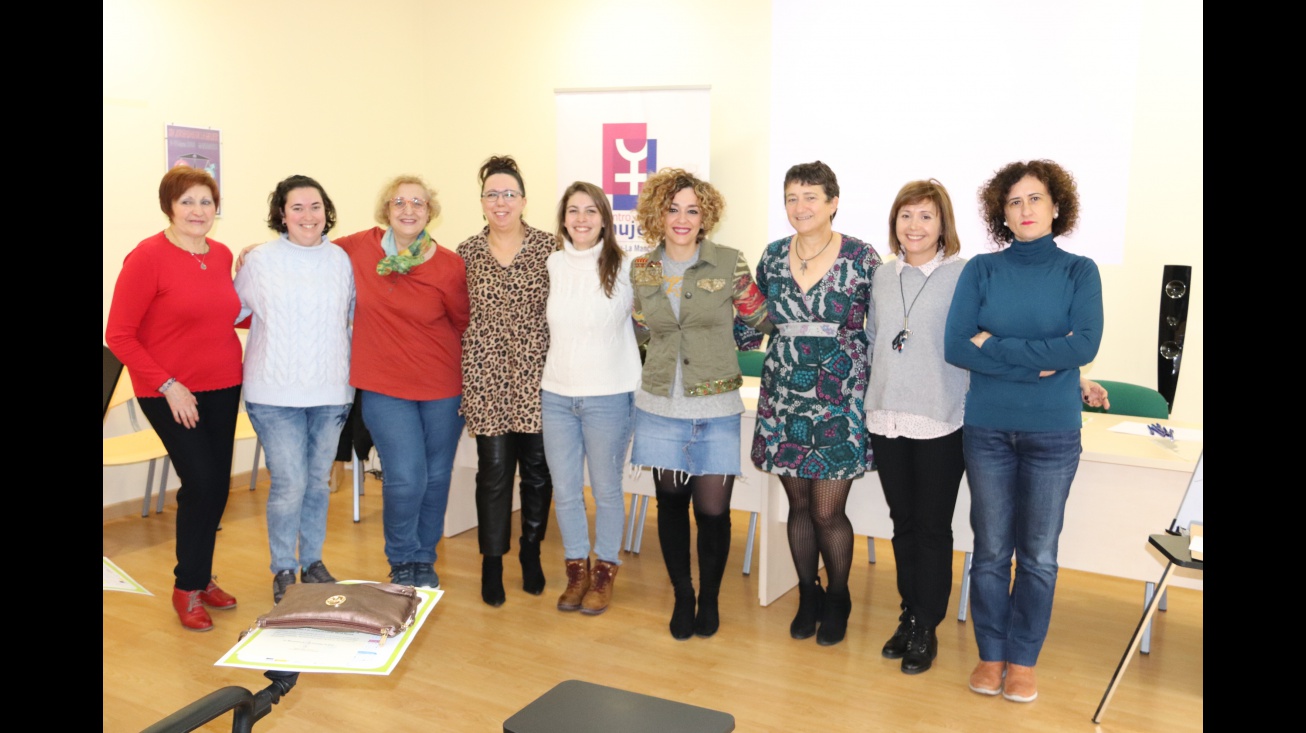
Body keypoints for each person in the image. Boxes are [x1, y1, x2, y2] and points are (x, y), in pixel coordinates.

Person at [944, 159, 1103, 703]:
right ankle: (991, 656)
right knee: (990, 550)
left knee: (1038, 554)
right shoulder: (981, 271)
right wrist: (1036, 360)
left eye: (1035, 199)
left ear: (1056, 207)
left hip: (1053, 432)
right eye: (1013, 202)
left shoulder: (1080, 271)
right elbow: (956, 344)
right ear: (1001, 215)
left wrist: (997, 347)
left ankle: (1024, 660)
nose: (1025, 209)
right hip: (987, 429)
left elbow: (1082, 347)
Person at [630, 168, 770, 640]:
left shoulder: (730, 263)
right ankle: (683, 595)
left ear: (705, 216)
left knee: (712, 511)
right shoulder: (642, 268)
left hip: (715, 404)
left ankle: (709, 597)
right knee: (669, 505)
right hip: (660, 403)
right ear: (657, 215)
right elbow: (640, 327)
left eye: (692, 209)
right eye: (672, 209)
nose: (682, 218)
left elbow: (759, 320)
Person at [106, 165, 242, 632]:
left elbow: (227, 314)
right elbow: (118, 335)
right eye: (188, 202)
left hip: (224, 384)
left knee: (217, 485)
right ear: (169, 206)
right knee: (201, 482)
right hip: (170, 391)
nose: (198, 211)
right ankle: (186, 587)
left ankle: (202, 578)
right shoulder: (147, 257)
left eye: (206, 202)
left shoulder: (221, 255)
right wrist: (168, 384)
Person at [750, 161, 879, 646]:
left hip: (840, 400)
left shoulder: (862, 258)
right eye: (791, 198)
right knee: (798, 506)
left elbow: (886, 330)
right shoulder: (773, 255)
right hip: (784, 395)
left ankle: (840, 596)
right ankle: (809, 593)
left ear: (833, 201)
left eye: (810, 197)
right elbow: (753, 322)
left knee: (828, 512)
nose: (800, 207)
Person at [333, 175, 469, 590]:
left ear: (430, 212)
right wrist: (257, 253)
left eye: (418, 203)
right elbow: (308, 252)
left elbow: (462, 321)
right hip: (383, 384)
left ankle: (424, 557)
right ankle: (401, 556)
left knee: (436, 475)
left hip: (443, 385)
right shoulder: (358, 248)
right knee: (406, 476)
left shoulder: (448, 264)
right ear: (386, 210)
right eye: (399, 203)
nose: (408, 210)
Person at [234, 175, 355, 604]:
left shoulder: (342, 261)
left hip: (330, 394)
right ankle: (284, 567)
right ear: (281, 214)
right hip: (273, 395)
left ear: (327, 212)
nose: (308, 215)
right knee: (289, 483)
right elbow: (234, 310)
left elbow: (356, 318)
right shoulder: (260, 261)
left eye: (316, 206)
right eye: (298, 207)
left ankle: (314, 562)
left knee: (318, 483)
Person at [865, 179, 968, 672]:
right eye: (906, 216)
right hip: (885, 415)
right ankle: (909, 614)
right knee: (902, 524)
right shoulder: (884, 277)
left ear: (943, 223)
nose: (915, 226)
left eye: (926, 216)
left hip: (940, 418)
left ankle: (928, 625)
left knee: (932, 527)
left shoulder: (964, 275)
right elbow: (874, 338)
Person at [458, 155, 555, 607]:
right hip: (485, 374)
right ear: (481, 202)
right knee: (494, 472)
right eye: (492, 194)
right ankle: (492, 561)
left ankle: (531, 553)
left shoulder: (551, 248)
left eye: (509, 194)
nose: (501, 202)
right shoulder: (464, 254)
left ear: (523, 201)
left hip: (539, 372)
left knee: (537, 472)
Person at [541, 182, 642, 616]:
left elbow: (657, 315)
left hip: (609, 396)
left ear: (605, 218)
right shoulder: (551, 264)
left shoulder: (630, 267)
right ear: (563, 218)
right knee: (563, 491)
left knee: (605, 490)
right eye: (573, 211)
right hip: (558, 394)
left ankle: (604, 574)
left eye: (590, 211)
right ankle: (576, 572)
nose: (581, 219)